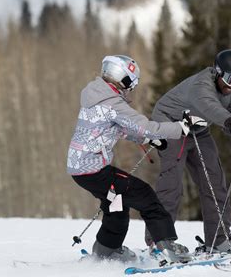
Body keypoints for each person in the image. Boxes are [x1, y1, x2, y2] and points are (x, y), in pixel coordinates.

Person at [67, 55, 197, 263]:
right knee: (145, 195)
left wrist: (148, 139)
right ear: (123, 79)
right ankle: (167, 246)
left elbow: (116, 129)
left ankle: (106, 249)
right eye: (131, 83)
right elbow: (145, 125)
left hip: (80, 169)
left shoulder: (95, 95)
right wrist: (180, 128)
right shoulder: (111, 103)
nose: (131, 88)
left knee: (116, 204)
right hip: (94, 170)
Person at [145, 49, 231, 254]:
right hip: (170, 124)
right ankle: (159, 240)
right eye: (230, 79)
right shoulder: (201, 85)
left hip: (198, 129)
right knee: (172, 183)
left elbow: (228, 124)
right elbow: (212, 109)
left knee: (215, 182)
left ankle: (218, 238)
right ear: (217, 72)